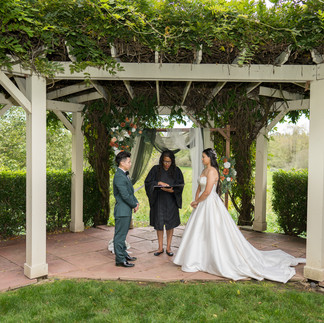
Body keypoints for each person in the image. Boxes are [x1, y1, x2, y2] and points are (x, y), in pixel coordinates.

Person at [173, 148, 306, 283]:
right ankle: (197, 257)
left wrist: (197, 201)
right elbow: (199, 188)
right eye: (202, 157)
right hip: (201, 204)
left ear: (209, 158)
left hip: (210, 204)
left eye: (203, 157)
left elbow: (207, 192)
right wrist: (195, 201)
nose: (202, 159)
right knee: (199, 232)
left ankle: (213, 259)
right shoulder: (204, 171)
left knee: (213, 231)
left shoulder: (213, 171)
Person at [145, 150, 184, 257]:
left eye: (169, 162)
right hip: (159, 200)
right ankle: (160, 247)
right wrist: (158, 183)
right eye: (165, 161)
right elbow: (148, 182)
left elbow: (180, 185)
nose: (167, 164)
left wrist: (172, 191)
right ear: (161, 160)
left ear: (172, 161)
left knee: (170, 224)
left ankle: (168, 247)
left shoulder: (177, 171)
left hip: (171, 201)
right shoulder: (155, 170)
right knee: (159, 224)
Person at [113, 151, 139, 268]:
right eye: (129, 162)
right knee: (120, 236)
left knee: (123, 235)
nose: (130, 163)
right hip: (122, 211)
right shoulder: (118, 176)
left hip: (126, 210)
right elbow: (124, 195)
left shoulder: (124, 174)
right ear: (122, 163)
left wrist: (135, 202)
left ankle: (124, 254)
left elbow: (130, 191)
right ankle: (120, 259)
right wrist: (134, 204)